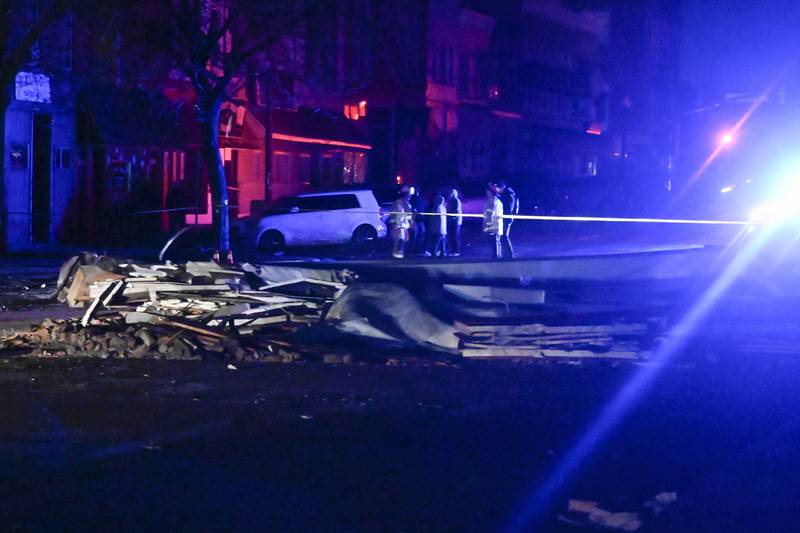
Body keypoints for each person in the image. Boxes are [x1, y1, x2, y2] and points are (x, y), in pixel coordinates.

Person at [494, 181, 519, 259]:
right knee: (503, 236)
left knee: (504, 236)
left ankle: (509, 254)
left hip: (506, 217)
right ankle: (507, 254)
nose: (497, 190)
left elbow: (507, 207)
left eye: (497, 188)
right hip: (508, 217)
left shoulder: (507, 195)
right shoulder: (510, 194)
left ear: (502, 187)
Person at [390, 187, 414, 259]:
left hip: (405, 225)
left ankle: (401, 253)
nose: (409, 197)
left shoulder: (408, 204)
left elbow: (409, 215)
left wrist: (411, 223)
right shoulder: (397, 203)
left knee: (405, 240)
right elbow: (393, 214)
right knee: (399, 240)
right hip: (398, 225)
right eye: (408, 195)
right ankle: (396, 254)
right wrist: (393, 223)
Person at [483, 183, 504, 259]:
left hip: (493, 224)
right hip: (497, 223)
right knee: (497, 241)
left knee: (494, 241)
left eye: (487, 192)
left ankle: (495, 256)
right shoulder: (498, 201)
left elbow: (490, 213)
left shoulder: (491, 201)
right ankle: (498, 254)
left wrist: (488, 225)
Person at [425, 193, 447, 258]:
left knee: (435, 242)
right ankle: (442, 253)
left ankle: (434, 254)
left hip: (437, 229)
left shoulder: (436, 208)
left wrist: (430, 225)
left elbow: (433, 218)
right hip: (443, 229)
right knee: (442, 242)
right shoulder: (444, 208)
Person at [409, 187, 427, 254]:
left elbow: (424, 208)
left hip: (420, 220)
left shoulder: (420, 199)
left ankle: (418, 249)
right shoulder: (412, 199)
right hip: (415, 220)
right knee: (415, 235)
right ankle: (413, 249)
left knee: (420, 235)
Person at [446, 188, 463, 256]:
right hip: (451, 221)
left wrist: (452, 217)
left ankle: (456, 251)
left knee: (455, 236)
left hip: (455, 222)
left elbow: (456, 211)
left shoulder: (456, 201)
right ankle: (452, 250)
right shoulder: (450, 201)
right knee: (451, 236)